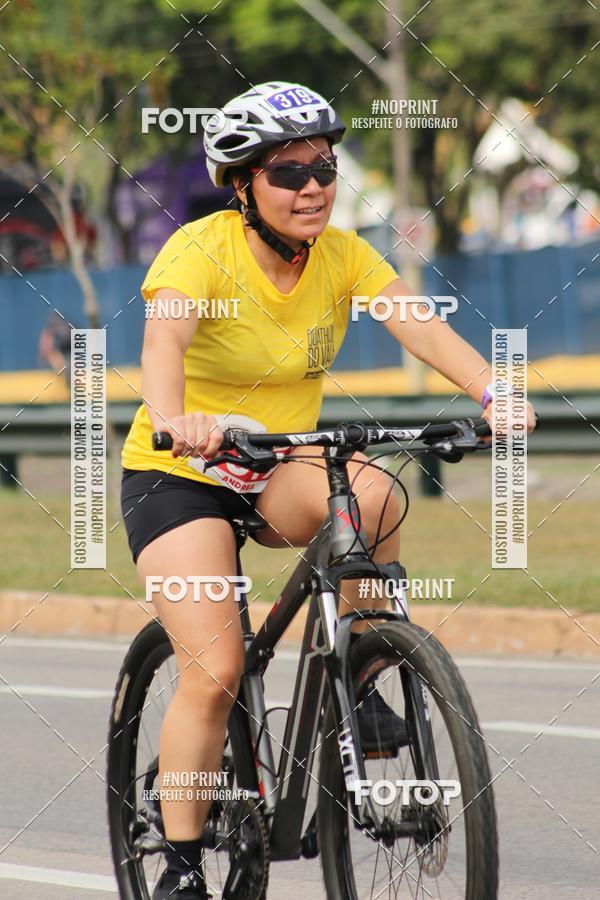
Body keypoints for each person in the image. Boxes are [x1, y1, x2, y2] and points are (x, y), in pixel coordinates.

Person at [120, 81, 536, 899]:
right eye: (288, 172)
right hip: (180, 472)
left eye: (324, 167)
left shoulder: (343, 255)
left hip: (276, 462)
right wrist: (178, 419)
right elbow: (164, 338)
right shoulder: (200, 252)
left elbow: (416, 320)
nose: (312, 186)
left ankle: (365, 673)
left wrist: (494, 391)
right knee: (216, 667)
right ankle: (177, 866)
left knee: (374, 494)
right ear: (242, 183)